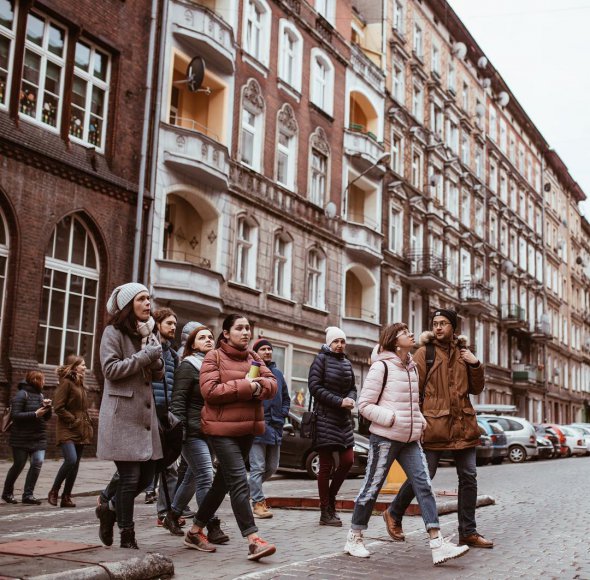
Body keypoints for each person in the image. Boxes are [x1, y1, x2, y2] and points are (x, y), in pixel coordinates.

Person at [343, 323, 470, 565]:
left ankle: (437, 543)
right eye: (405, 333)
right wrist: (391, 419)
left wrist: (419, 421)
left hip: (410, 440)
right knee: (372, 486)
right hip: (386, 438)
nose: (411, 334)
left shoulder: (411, 368)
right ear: (393, 340)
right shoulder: (381, 367)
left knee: (424, 486)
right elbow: (365, 405)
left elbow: (413, 404)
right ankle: (355, 536)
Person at [387, 309, 492, 549]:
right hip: (434, 425)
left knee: (469, 477)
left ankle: (468, 532)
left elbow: (476, 389)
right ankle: (394, 512)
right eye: (435, 323)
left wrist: (475, 364)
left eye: (443, 323)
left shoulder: (464, 355)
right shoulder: (426, 353)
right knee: (425, 474)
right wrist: (417, 421)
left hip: (463, 425)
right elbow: (414, 390)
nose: (438, 327)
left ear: (453, 327)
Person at [186, 314, 278, 561]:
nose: (246, 332)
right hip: (221, 430)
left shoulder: (254, 357)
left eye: (248, 328)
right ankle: (253, 540)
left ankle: (194, 531)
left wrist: (260, 386)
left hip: (247, 430)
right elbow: (210, 391)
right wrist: (248, 387)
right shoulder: (213, 357)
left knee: (222, 484)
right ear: (226, 333)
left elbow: (272, 384)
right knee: (239, 480)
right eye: (239, 328)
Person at [95, 282, 164, 549]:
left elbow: (156, 374)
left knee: (147, 476)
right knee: (130, 478)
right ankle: (127, 534)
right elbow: (110, 370)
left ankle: (109, 508)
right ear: (128, 306)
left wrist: (156, 358)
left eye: (149, 299)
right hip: (122, 415)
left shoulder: (149, 333)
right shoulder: (112, 332)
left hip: (145, 419)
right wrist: (146, 355)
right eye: (142, 299)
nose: (148, 304)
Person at [163, 325, 228, 545]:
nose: (209, 340)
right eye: (202, 337)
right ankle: (210, 524)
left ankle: (172, 515)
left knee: (191, 477)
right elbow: (178, 400)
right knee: (205, 477)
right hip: (191, 431)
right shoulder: (188, 366)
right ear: (192, 344)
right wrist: (178, 430)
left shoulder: (214, 366)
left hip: (210, 430)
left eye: (211, 337)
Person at [308, 326, 356, 527]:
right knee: (326, 467)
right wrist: (338, 401)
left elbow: (353, 387)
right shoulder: (321, 359)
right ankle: (325, 511)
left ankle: (331, 498)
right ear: (329, 343)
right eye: (336, 341)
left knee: (347, 461)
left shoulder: (347, 362)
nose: (339, 345)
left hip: (343, 420)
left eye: (342, 342)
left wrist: (351, 399)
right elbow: (314, 387)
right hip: (326, 418)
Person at [248, 339, 291, 519]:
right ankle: (257, 502)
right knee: (257, 467)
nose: (267, 352)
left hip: (275, 427)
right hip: (258, 426)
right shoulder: (252, 370)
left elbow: (286, 398)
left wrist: (282, 414)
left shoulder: (278, 374)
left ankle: (247, 490)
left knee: (272, 467)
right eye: (263, 349)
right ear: (256, 352)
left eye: (269, 349)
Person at [148, 308, 182, 526]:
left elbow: (175, 386)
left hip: (164, 415)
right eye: (169, 323)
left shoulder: (173, 355)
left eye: (175, 325)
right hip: (147, 413)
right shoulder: (149, 348)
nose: (173, 328)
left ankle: (163, 513)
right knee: (141, 467)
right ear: (157, 323)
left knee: (170, 467)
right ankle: (108, 499)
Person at [48, 356, 93, 508]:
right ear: (74, 367)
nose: (85, 368)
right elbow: (58, 407)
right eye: (83, 365)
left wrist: (86, 422)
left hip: (80, 428)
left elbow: (83, 408)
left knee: (76, 464)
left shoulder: (80, 384)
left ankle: (66, 497)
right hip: (67, 428)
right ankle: (54, 491)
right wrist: (73, 420)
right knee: (71, 460)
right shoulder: (66, 383)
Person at [2, 371, 51, 505]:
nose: (44, 382)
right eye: (43, 380)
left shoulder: (41, 395)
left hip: (38, 437)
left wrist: (48, 408)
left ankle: (28, 495)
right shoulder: (21, 395)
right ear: (36, 380)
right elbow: (16, 416)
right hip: (21, 438)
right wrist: (35, 414)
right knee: (18, 465)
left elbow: (46, 418)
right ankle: (7, 493)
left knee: (37, 463)